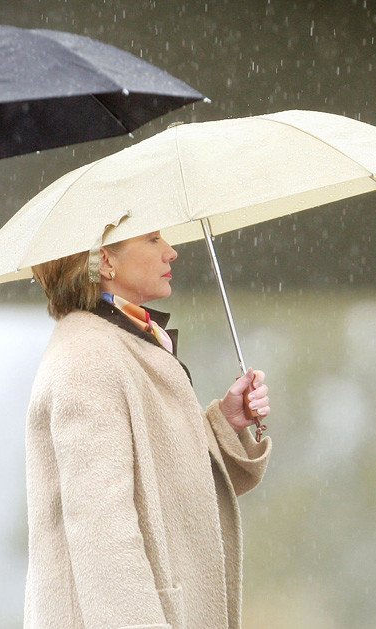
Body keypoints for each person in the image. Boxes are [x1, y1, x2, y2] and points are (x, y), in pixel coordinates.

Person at [24, 229, 272, 628]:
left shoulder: (115, 341)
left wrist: (225, 424)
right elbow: (102, 529)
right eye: (153, 239)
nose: (171, 252)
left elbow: (158, 484)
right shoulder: (88, 358)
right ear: (106, 261)